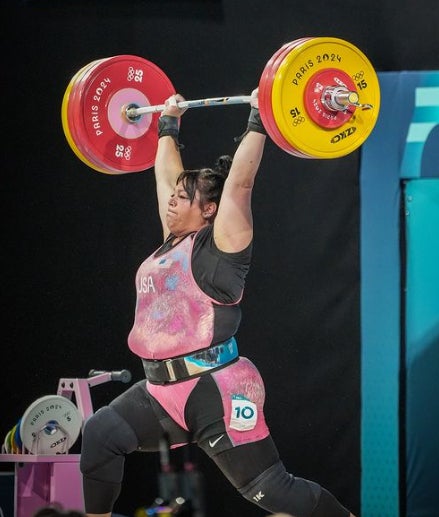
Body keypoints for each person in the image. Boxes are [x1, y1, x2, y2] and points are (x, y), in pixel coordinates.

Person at [79, 89, 356, 517]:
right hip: (159, 390)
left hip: (215, 389)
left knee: (271, 491)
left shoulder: (223, 246)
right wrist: (167, 125)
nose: (171, 200)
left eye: (182, 197)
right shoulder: (172, 241)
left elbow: (240, 183)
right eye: (173, 196)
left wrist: (259, 117)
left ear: (209, 209)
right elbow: (164, 178)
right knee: (101, 436)